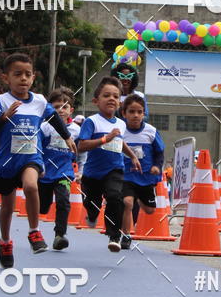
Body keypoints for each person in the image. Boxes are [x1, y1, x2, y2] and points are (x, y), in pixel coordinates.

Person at [0, 52, 76, 268]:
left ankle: (34, 232)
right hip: (7, 161)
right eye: (17, 74)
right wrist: (4, 115)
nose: (23, 79)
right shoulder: (0, 101)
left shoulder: (39, 101)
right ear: (6, 78)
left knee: (31, 186)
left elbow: (54, 119)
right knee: (7, 207)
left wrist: (66, 136)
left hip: (31, 157)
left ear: (33, 78)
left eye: (28, 74)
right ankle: (5, 241)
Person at [77, 76, 141, 252]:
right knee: (92, 203)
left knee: (115, 197)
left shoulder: (121, 123)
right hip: (92, 174)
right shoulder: (92, 122)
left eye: (115, 96)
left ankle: (114, 236)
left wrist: (132, 156)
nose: (111, 98)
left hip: (114, 169)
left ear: (119, 103)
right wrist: (105, 138)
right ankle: (91, 214)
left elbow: (120, 143)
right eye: (106, 95)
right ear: (96, 101)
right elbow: (81, 146)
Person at [38, 87, 81, 250]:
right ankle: (36, 231)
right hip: (45, 172)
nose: (60, 111)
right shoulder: (45, 127)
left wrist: (80, 169)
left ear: (71, 110)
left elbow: (81, 151)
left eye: (64, 107)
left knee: (63, 201)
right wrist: (38, 166)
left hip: (64, 172)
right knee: (43, 206)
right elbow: (37, 148)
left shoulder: (76, 130)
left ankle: (60, 235)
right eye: (56, 107)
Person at [120, 94, 165, 249]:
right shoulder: (119, 130)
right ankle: (126, 235)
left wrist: (156, 166)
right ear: (124, 113)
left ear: (144, 113)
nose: (136, 115)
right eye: (131, 112)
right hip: (126, 175)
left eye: (139, 112)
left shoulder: (151, 131)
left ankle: (140, 198)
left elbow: (160, 152)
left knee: (150, 210)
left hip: (145, 177)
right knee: (127, 203)